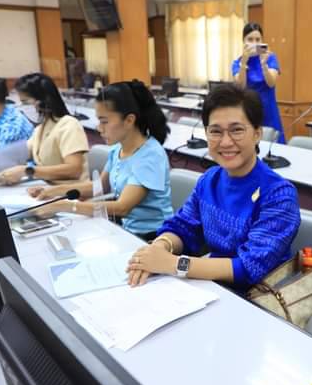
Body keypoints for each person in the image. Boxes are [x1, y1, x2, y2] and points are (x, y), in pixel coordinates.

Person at [126, 83, 301, 291]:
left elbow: (248, 267)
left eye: (237, 130)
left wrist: (174, 264)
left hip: (258, 297)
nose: (225, 142)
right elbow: (183, 227)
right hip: (211, 286)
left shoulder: (279, 195)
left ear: (257, 133)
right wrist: (159, 248)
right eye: (215, 131)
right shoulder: (209, 180)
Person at [29, 80, 173, 240]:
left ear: (129, 120)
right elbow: (99, 187)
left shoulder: (150, 155)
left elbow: (122, 207)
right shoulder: (118, 149)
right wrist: (52, 191)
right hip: (126, 230)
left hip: (153, 238)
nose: (99, 128)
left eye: (104, 121)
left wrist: (66, 206)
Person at [0, 73, 89, 184]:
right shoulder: (41, 128)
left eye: (25, 102)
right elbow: (22, 152)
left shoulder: (69, 125)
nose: (21, 107)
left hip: (70, 191)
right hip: (48, 188)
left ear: (43, 101)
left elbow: (74, 170)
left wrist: (27, 171)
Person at [232, 23, 285, 143]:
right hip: (248, 113)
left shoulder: (270, 57)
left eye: (258, 39)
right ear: (243, 41)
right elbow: (240, 86)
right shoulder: (237, 62)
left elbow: (271, 83)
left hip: (269, 111)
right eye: (250, 39)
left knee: (272, 147)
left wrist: (264, 64)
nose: (254, 43)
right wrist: (244, 63)